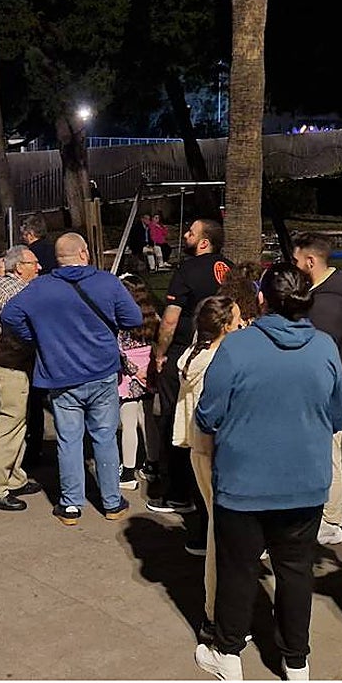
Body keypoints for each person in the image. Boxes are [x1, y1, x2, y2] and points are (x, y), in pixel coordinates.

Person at [193, 263, 342, 681]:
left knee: (237, 569)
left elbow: (207, 413)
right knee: (295, 572)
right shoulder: (324, 347)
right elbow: (337, 413)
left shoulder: (236, 348)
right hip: (304, 483)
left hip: (244, 483)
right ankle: (296, 660)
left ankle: (229, 653)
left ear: (262, 299)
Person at [1, 233, 143, 525]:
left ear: (57, 258)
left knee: (69, 440)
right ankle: (112, 502)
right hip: (102, 372)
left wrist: (37, 337)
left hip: (60, 374)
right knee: (104, 438)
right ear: (84, 253)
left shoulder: (40, 288)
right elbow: (134, 318)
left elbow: (9, 315)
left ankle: (70, 505)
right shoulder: (107, 282)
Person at [149, 218, 233, 513]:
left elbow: (170, 320)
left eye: (191, 233)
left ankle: (176, 492)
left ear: (204, 242)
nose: (184, 235)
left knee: (175, 418)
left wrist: (160, 353)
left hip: (187, 352)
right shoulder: (229, 268)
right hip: (224, 350)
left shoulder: (187, 270)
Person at [171, 295, 241, 643]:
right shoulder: (217, 361)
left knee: (218, 526)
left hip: (200, 449)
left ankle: (219, 612)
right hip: (212, 450)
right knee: (222, 534)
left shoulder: (193, 356)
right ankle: (216, 616)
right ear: (225, 326)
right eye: (239, 320)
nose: (243, 325)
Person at [292, 233, 342, 546]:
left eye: (297, 261)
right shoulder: (324, 295)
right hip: (333, 393)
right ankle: (336, 510)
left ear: (311, 261)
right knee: (328, 453)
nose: (294, 267)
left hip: (328, 395)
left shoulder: (326, 305)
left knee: (326, 456)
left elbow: (317, 357)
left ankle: (330, 517)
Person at [0, 245, 42, 511]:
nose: (39, 267)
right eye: (34, 263)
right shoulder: (17, 293)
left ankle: (14, 476)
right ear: (20, 267)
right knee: (8, 427)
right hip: (10, 367)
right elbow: (22, 327)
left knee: (17, 425)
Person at [116, 275, 160, 491]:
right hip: (149, 370)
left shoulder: (121, 318)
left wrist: (133, 372)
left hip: (128, 375)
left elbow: (119, 350)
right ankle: (152, 465)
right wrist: (146, 370)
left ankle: (127, 473)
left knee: (129, 423)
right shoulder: (154, 316)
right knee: (148, 421)